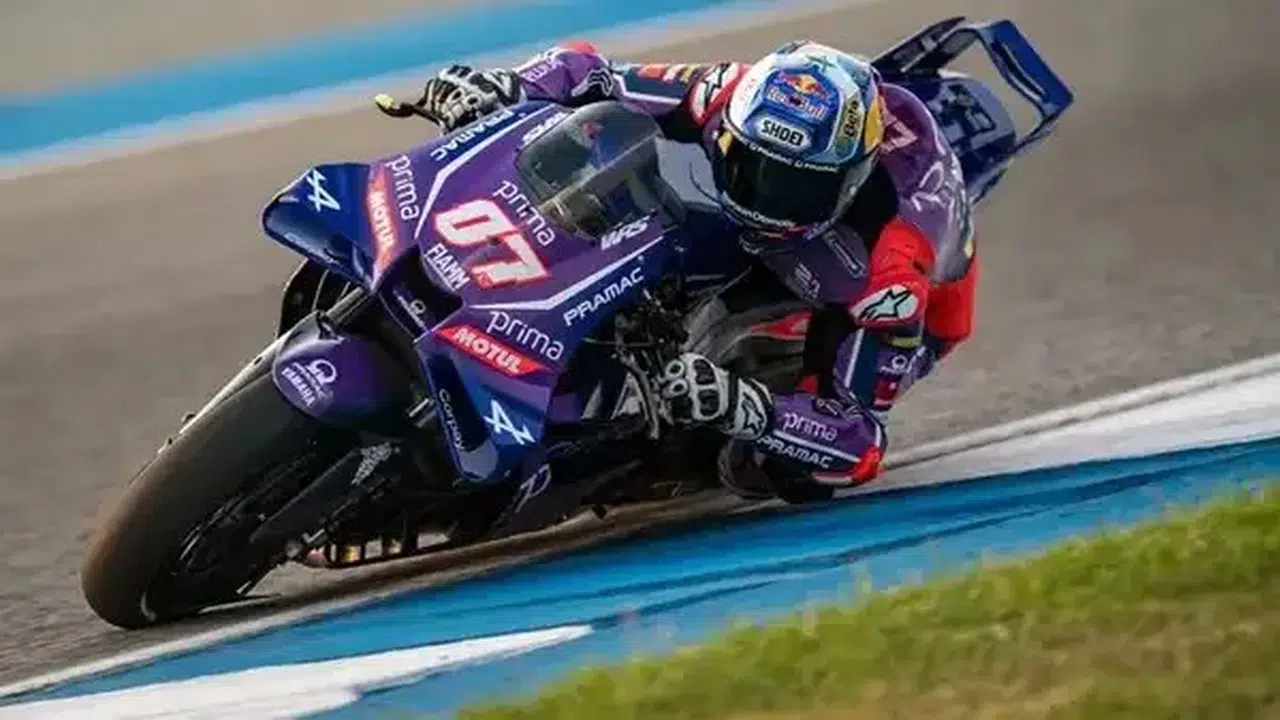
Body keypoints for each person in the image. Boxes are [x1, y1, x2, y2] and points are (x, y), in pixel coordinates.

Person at [412, 39, 979, 502]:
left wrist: (741, 405)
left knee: (771, 467)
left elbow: (860, 443)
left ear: (848, 183)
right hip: (783, 222)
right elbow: (590, 73)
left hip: (887, 290)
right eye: (750, 167)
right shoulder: (728, 92)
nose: (765, 200)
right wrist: (509, 85)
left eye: (796, 188)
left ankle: (656, 455)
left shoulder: (890, 271)